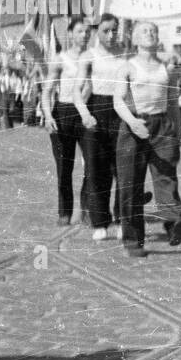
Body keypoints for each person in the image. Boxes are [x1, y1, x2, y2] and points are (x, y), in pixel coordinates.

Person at [112, 22, 181, 257]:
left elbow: (173, 101)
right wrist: (133, 122)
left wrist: (176, 131)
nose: (150, 34)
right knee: (130, 184)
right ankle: (133, 240)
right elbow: (118, 101)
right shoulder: (127, 67)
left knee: (166, 177)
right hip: (134, 125)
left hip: (162, 126)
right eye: (144, 31)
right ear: (134, 39)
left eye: (153, 31)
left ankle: (174, 222)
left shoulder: (167, 68)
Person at [39, 17, 92, 226]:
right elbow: (46, 92)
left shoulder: (94, 58)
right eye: (79, 31)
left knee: (92, 164)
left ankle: (87, 207)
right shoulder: (60, 59)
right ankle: (64, 211)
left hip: (87, 113)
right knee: (64, 167)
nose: (84, 35)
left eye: (87, 32)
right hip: (63, 112)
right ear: (70, 34)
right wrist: (48, 116)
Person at [77, 13, 126, 242]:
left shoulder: (124, 54)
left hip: (120, 111)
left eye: (114, 29)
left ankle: (121, 219)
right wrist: (86, 114)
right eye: (106, 30)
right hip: (96, 110)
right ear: (97, 31)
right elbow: (77, 92)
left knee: (122, 170)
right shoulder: (89, 55)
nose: (111, 34)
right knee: (97, 171)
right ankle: (99, 222)